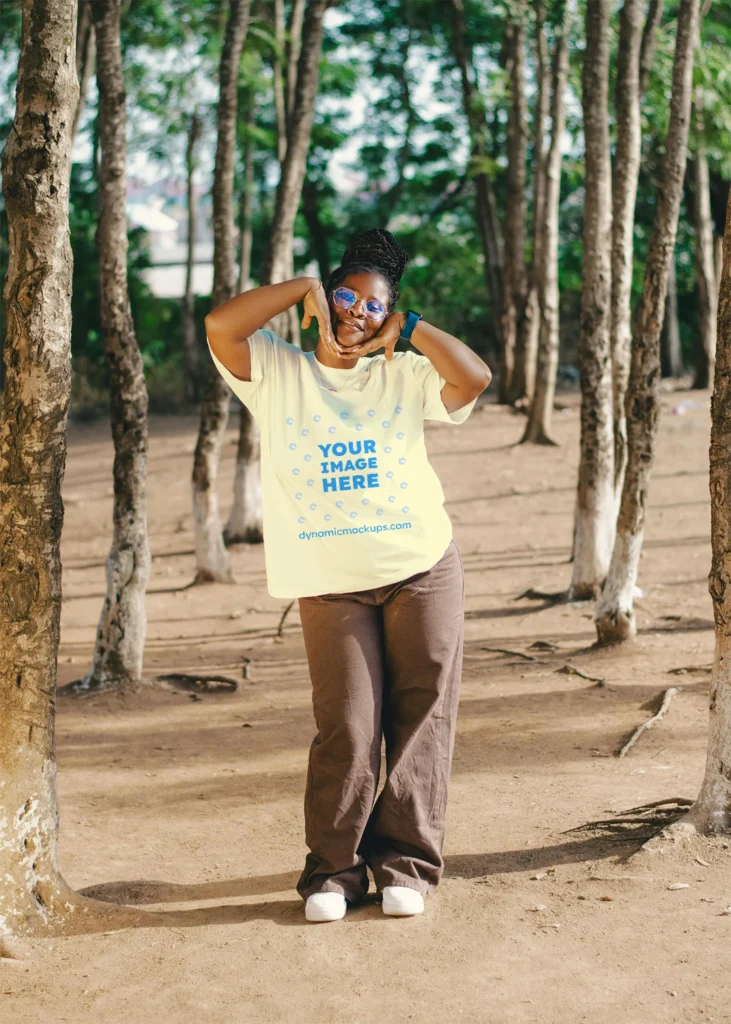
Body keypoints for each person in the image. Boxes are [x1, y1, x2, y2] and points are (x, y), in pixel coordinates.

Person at [205, 228, 491, 923]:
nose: (355, 312)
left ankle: (407, 866)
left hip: (419, 567)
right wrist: (300, 288)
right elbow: (220, 324)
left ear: (389, 315)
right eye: (343, 296)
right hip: (331, 582)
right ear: (323, 299)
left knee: (423, 717)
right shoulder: (276, 370)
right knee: (348, 728)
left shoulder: (402, 371)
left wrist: (411, 330)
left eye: (374, 305)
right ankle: (332, 871)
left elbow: (474, 376)